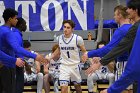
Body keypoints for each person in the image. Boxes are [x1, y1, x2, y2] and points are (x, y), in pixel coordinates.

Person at [85, 0, 140, 93]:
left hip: (125, 63)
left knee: (124, 90)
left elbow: (112, 48)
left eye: (115, 14)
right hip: (129, 63)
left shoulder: (123, 30)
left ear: (119, 15)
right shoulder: (132, 27)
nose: (128, 11)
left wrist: (91, 54)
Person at [0, 8, 47, 93]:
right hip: (7, 65)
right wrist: (35, 56)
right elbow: (17, 49)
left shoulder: (2, 30)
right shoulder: (8, 32)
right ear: (10, 19)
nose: (16, 20)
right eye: (15, 18)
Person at [47, 20, 87, 93]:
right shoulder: (59, 38)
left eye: (68, 27)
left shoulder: (78, 39)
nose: (65, 29)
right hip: (64, 66)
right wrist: (50, 57)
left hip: (75, 65)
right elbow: (59, 49)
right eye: (64, 27)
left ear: (72, 29)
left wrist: (88, 58)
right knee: (63, 88)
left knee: (77, 86)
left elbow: (84, 51)